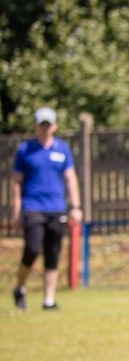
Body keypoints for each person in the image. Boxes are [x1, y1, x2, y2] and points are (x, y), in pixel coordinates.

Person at [11, 107, 82, 310]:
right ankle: (20, 288)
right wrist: (17, 209)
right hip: (32, 206)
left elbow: (70, 178)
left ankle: (48, 299)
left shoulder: (62, 149)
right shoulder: (25, 150)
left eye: (48, 124)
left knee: (52, 253)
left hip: (56, 207)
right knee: (32, 249)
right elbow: (16, 182)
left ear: (54, 126)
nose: (45, 128)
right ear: (35, 126)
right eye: (41, 124)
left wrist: (75, 206)